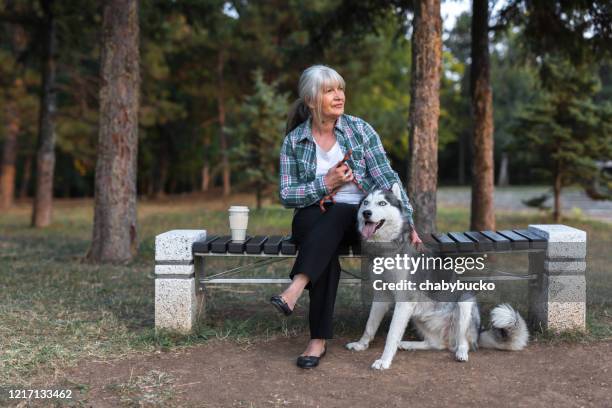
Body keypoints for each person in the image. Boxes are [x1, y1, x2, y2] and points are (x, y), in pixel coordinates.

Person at [270, 65, 422, 369]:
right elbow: (287, 194)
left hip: (361, 219)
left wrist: (408, 222)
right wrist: (326, 184)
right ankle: (316, 337)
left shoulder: (360, 131)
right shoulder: (294, 141)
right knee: (323, 232)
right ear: (312, 100)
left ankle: (299, 301)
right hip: (311, 217)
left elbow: (386, 177)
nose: (339, 96)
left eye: (340, 89)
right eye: (329, 91)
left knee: (341, 212)